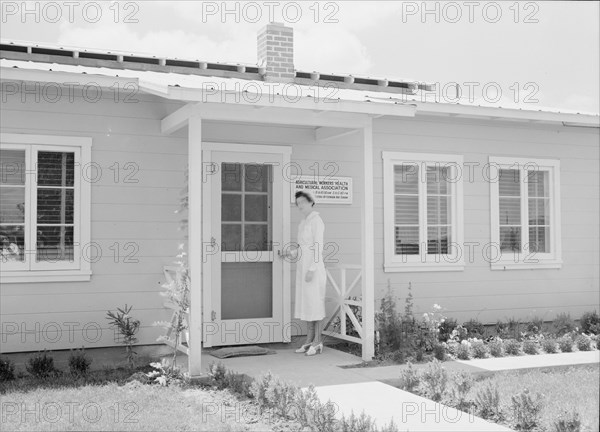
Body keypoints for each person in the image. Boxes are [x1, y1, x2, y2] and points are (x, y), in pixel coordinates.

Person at [281, 190, 327, 356]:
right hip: (303, 265)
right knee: (307, 303)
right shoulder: (303, 222)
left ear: (310, 202)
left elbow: (317, 247)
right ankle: (309, 340)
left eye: (302, 202)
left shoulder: (317, 221)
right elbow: (303, 247)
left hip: (313, 268)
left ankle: (318, 341)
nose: (300, 206)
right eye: (297, 203)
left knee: (316, 303)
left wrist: (313, 269)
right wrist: (291, 253)